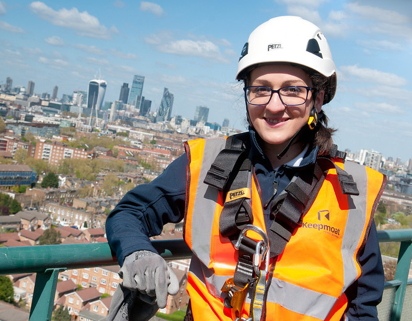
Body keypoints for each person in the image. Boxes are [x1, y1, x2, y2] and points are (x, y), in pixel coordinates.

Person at [106, 16, 385, 321]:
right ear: (247, 95)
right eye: (261, 89)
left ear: (317, 99)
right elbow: (131, 213)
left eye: (292, 90)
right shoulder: (208, 163)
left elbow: (362, 303)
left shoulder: (349, 191)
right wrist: (138, 254)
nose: (274, 106)